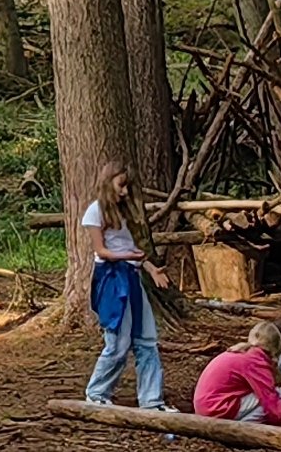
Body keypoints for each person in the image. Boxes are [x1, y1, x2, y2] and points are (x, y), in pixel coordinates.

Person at [79, 164, 168, 409]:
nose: (125, 191)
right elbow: (102, 251)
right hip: (112, 278)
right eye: (121, 185)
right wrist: (126, 256)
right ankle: (97, 393)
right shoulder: (95, 211)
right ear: (108, 182)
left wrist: (150, 268)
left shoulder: (123, 212)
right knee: (118, 343)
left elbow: (132, 249)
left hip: (132, 276)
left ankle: (151, 400)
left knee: (146, 340)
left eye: (127, 186)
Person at [192, 317, 281, 422]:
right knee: (275, 397)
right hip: (216, 409)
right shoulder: (256, 361)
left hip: (206, 407)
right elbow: (270, 400)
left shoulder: (245, 352)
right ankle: (240, 427)